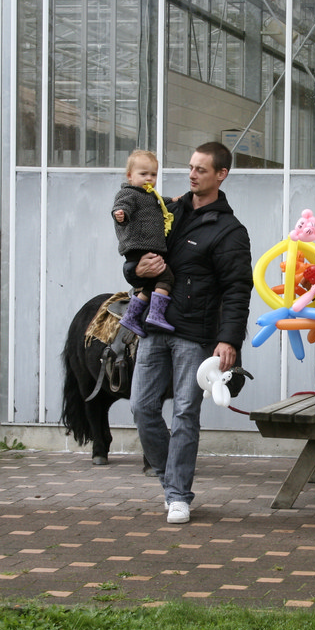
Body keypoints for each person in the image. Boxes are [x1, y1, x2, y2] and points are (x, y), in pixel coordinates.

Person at [124, 142, 252, 524]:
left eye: (201, 169)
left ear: (221, 175)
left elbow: (237, 290)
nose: (192, 174)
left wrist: (229, 340)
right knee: (141, 407)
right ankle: (171, 481)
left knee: (184, 413)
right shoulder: (168, 211)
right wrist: (134, 272)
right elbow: (135, 253)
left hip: (195, 335)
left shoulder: (230, 231)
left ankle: (179, 495)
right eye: (191, 167)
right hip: (155, 325)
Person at [112, 150, 177, 336]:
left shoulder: (149, 195)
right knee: (166, 277)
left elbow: (160, 203)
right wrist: (121, 215)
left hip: (145, 247)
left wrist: (174, 200)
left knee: (151, 284)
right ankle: (156, 314)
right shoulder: (129, 193)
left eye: (153, 175)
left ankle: (131, 316)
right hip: (139, 247)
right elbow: (122, 206)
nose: (149, 178)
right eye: (143, 174)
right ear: (130, 176)